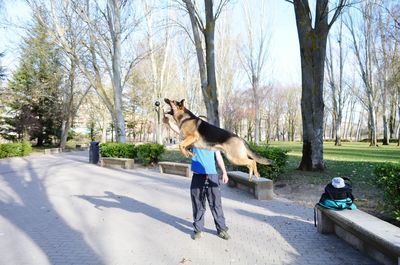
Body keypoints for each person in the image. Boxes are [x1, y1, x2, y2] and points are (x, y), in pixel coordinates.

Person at [162, 115, 230, 240]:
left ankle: (221, 229)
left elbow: (219, 157)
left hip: (212, 175)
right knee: (198, 203)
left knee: (216, 203)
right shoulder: (192, 138)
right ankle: (198, 230)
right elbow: (179, 130)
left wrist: (224, 172)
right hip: (198, 176)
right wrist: (168, 123)